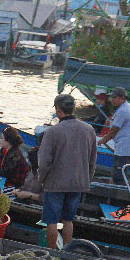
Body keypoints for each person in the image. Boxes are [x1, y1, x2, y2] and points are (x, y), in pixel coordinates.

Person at [38, 94, 97, 247]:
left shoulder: (52, 132)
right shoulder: (89, 130)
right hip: (78, 183)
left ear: (58, 110)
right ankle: (66, 251)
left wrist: (41, 179)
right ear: (74, 108)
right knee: (68, 219)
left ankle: (51, 252)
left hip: (55, 183)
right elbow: (92, 160)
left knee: (51, 221)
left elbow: (44, 162)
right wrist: (87, 181)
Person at [95, 87, 130, 185]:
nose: (111, 100)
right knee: (119, 172)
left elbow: (114, 129)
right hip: (128, 146)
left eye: (114, 98)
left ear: (122, 98)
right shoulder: (127, 107)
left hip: (124, 147)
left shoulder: (123, 111)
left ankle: (116, 190)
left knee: (118, 174)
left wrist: (104, 140)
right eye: (111, 97)